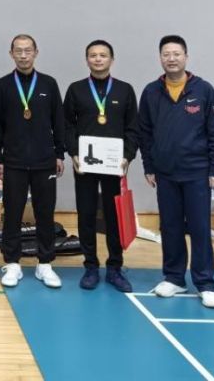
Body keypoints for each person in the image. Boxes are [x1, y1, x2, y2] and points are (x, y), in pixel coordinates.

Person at [139, 35, 214, 309]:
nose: (171, 59)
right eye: (166, 54)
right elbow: (144, 133)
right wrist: (149, 166)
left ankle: (205, 283)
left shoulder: (204, 90)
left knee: (200, 228)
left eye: (176, 54)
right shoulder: (151, 92)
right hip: (165, 174)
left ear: (186, 57)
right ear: (160, 58)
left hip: (197, 173)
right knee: (171, 227)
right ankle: (174, 278)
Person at [63, 40, 139, 292]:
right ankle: (91, 266)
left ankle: (115, 267)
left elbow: (133, 127)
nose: (98, 59)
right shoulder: (76, 90)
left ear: (111, 60)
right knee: (86, 214)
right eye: (93, 55)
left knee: (113, 215)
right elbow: (67, 125)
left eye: (103, 55)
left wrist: (127, 156)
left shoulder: (125, 90)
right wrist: (73, 153)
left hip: (114, 164)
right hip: (85, 164)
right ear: (87, 60)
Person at [0, 34, 65, 289]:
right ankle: (12, 263)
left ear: (36, 52)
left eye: (28, 50)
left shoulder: (49, 84)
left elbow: (58, 121)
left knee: (45, 213)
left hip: (45, 161)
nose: (23, 55)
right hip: (13, 161)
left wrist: (59, 154)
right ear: (11, 54)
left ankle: (45, 264)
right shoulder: (1, 85)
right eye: (18, 51)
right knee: (12, 213)